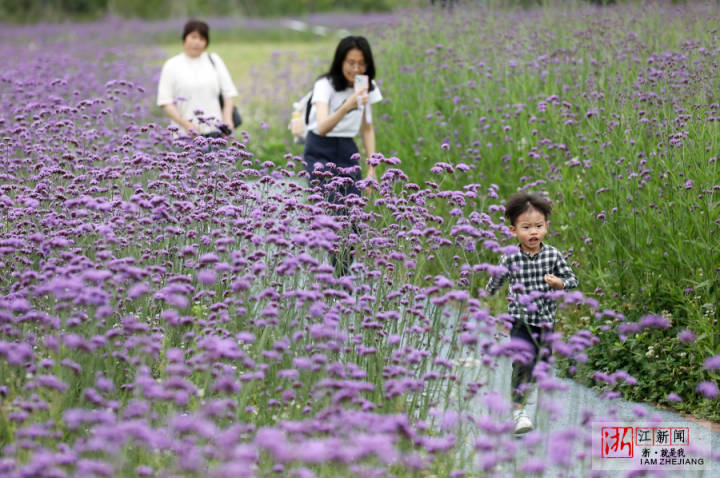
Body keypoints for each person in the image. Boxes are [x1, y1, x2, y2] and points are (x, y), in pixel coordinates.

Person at [485, 192, 578, 434]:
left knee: (542, 362)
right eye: (526, 227)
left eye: (538, 226)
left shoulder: (553, 255)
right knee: (522, 363)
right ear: (513, 231)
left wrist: (560, 283)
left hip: (546, 321)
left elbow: (572, 279)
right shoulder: (510, 257)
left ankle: (530, 388)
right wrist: (488, 292)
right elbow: (496, 280)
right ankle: (518, 411)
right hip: (520, 321)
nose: (533, 232)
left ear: (546, 227)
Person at [303, 35, 382, 274]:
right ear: (340, 62)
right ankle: (332, 279)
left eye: (361, 63)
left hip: (348, 150)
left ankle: (342, 279)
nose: (355, 68)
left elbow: (367, 128)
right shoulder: (324, 85)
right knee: (335, 214)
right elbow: (323, 126)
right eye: (350, 62)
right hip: (320, 149)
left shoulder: (366, 86)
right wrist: (349, 105)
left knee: (353, 219)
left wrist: (372, 168)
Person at [157, 19, 238, 137]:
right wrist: (184, 123)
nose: (197, 42)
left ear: (206, 42)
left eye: (202, 39)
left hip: (215, 133)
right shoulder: (172, 65)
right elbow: (165, 101)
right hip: (185, 136)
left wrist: (227, 120)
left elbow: (228, 94)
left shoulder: (214, 60)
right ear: (184, 39)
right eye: (193, 37)